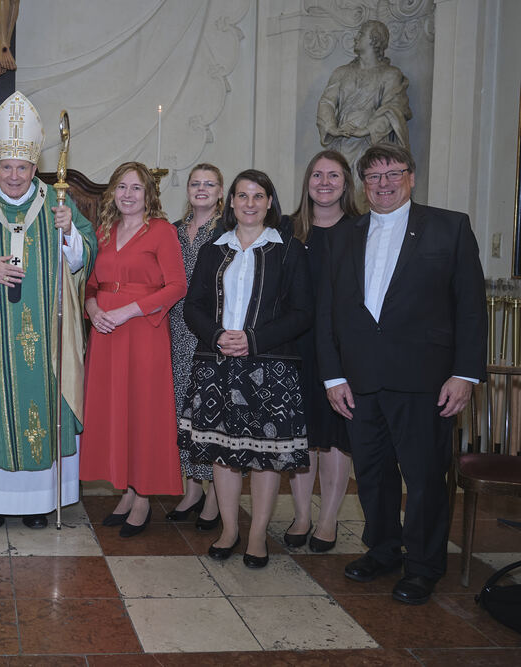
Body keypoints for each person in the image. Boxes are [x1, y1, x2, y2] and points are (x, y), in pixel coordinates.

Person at [317, 143, 486, 604]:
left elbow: (471, 308)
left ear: (411, 176)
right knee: (372, 474)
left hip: (425, 380)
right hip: (360, 381)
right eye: (374, 176)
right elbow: (327, 313)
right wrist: (333, 377)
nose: (384, 183)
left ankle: (424, 565)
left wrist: (465, 374)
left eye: (393, 173)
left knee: (425, 476)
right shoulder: (342, 236)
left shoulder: (449, 227)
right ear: (363, 185)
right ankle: (384, 549)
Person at [0, 91, 97, 529]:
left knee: (44, 409)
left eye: (22, 168)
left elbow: (84, 258)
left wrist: (70, 233)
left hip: (47, 336)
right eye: (5, 167)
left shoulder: (58, 204)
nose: (14, 176)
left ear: (35, 168)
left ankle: (39, 503)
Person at [180, 169, 312, 568]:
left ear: (270, 202)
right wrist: (217, 335)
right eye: (242, 196)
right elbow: (193, 306)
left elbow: (302, 312)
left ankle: (256, 536)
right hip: (217, 363)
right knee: (223, 452)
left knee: (264, 455)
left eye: (258, 196)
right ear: (231, 202)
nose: (249, 203)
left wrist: (252, 339)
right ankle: (229, 529)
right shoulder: (214, 249)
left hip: (268, 367)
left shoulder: (289, 250)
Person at [80, 162, 186, 537]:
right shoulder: (103, 232)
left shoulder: (161, 231)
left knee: (143, 413)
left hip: (143, 331)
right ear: (113, 192)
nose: (128, 194)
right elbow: (90, 285)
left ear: (148, 195)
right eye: (122, 187)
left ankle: (142, 498)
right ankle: (126, 491)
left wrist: (128, 311)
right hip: (106, 333)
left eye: (136, 188)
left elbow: (177, 286)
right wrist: (94, 310)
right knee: (115, 412)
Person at [282, 151, 361, 553]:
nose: (324, 182)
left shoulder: (361, 229)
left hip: (343, 350)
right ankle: (301, 515)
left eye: (333, 175)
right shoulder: (286, 228)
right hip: (294, 346)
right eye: (317, 175)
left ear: (346, 183)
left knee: (334, 437)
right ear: (307, 181)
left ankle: (328, 519)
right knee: (301, 434)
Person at [166, 163, 224, 531]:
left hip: (211, 331)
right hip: (176, 329)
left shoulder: (228, 231)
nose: (201, 189)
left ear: (221, 192)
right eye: (195, 183)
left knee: (211, 413)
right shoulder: (173, 230)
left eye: (210, 184)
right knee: (183, 411)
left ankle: (216, 494)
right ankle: (192, 490)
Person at [316, 20, 411, 195]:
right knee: (341, 192)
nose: (356, 37)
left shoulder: (390, 75)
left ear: (374, 39)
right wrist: (332, 128)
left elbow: (393, 109)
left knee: (366, 192)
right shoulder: (341, 72)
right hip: (343, 142)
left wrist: (366, 130)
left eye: (361, 34)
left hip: (372, 144)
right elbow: (327, 102)